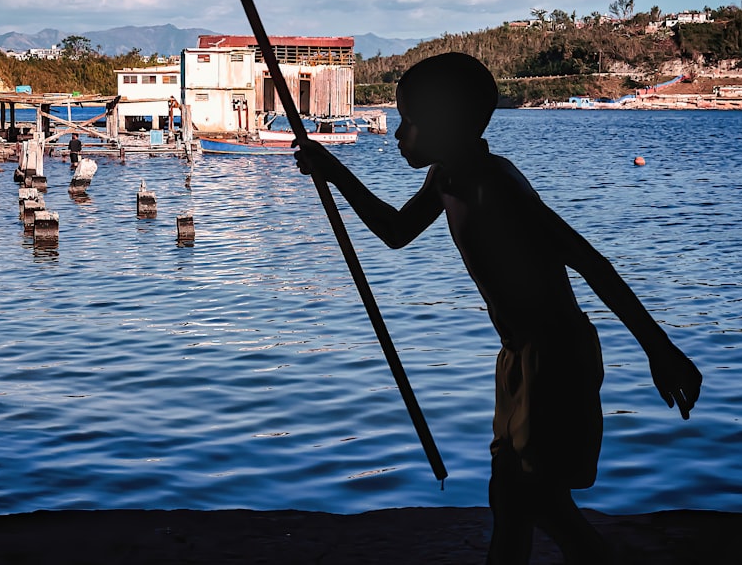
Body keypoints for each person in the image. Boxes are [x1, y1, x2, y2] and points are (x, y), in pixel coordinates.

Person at [294, 52, 702, 565]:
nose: (398, 135)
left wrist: (660, 350)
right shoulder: (447, 178)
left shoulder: (493, 184)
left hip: (555, 361)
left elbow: (590, 262)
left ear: (445, 125)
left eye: (409, 121)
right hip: (519, 361)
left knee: (537, 501)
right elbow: (396, 233)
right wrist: (331, 172)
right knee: (515, 498)